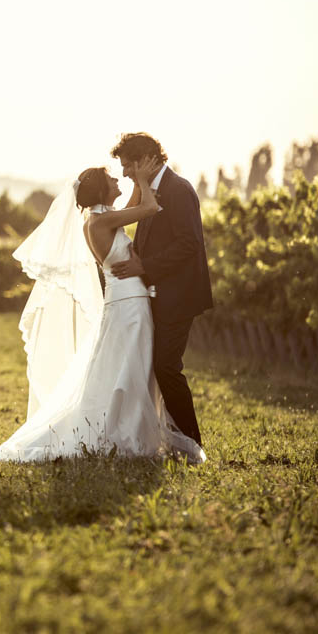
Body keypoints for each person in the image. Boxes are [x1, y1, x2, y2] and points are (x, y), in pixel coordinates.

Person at [0, 151, 206, 463]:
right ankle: (123, 432)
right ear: (101, 191)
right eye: (111, 179)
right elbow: (148, 208)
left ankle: (132, 428)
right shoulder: (100, 221)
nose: (119, 179)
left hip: (130, 301)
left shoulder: (103, 217)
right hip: (129, 304)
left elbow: (133, 207)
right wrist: (143, 179)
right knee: (130, 367)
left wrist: (136, 184)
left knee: (133, 367)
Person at [110, 132, 213, 449]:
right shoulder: (149, 190)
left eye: (128, 165)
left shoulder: (177, 190)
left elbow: (189, 244)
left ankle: (192, 443)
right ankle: (171, 438)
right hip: (159, 295)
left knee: (166, 367)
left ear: (144, 160)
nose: (125, 172)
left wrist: (145, 267)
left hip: (179, 296)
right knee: (157, 365)